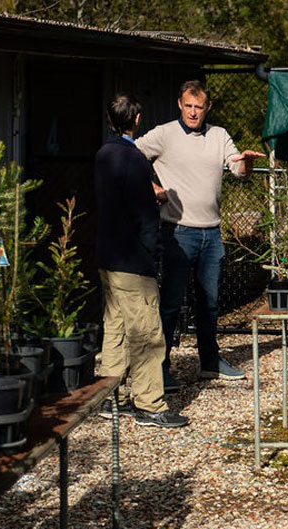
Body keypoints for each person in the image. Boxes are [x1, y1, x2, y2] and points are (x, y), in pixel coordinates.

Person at [135, 80, 263, 389]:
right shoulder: (164, 134)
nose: (193, 112)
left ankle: (210, 362)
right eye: (188, 106)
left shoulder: (218, 136)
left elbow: (238, 170)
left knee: (210, 304)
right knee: (170, 303)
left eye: (199, 107)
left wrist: (245, 162)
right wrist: (151, 187)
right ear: (180, 104)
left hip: (211, 235)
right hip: (178, 233)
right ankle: (160, 369)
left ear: (208, 108)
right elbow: (130, 155)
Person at [94, 93, 189, 429]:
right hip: (133, 259)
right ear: (135, 120)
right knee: (147, 333)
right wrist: (154, 253)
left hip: (108, 255)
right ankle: (149, 403)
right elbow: (144, 213)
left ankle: (108, 396)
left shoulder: (104, 155)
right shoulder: (134, 159)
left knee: (116, 329)